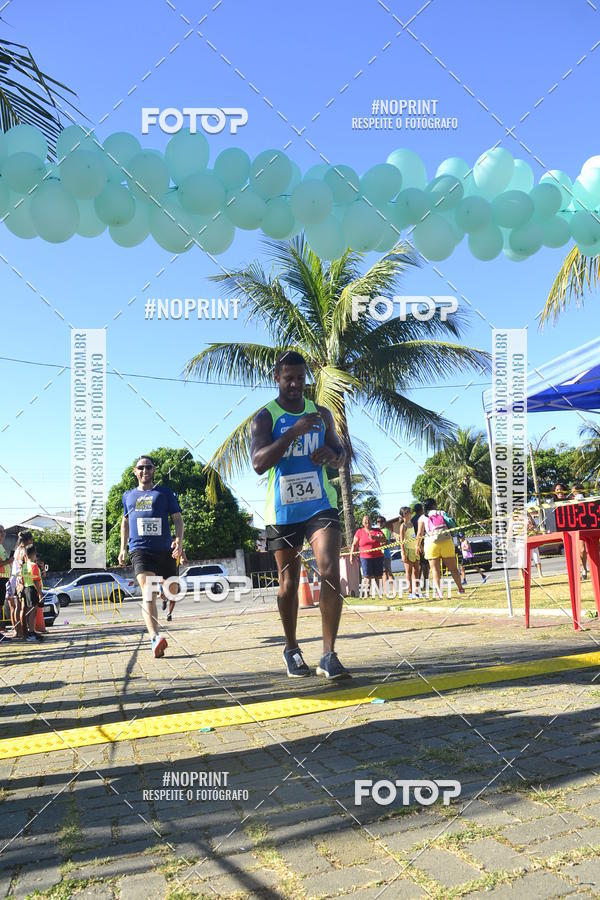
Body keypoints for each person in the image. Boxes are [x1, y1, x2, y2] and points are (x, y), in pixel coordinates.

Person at [251, 350, 349, 680]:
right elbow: (259, 463)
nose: (294, 384)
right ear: (277, 378)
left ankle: (328, 654)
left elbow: (342, 454)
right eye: (288, 378)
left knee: (329, 568)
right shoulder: (265, 417)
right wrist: (293, 432)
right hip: (282, 509)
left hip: (319, 504)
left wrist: (331, 454)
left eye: (300, 377)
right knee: (289, 583)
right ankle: (291, 648)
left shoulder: (321, 413)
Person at [119, 456, 184, 658]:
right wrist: (123, 548)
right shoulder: (128, 496)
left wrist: (179, 541)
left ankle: (166, 593)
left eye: (148, 467)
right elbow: (125, 522)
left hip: (164, 549)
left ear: (154, 470)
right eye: (141, 467)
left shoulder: (164, 493)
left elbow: (178, 519)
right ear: (135, 471)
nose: (145, 470)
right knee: (148, 590)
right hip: (140, 550)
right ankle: (154, 638)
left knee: (172, 590)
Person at [415, 498, 464, 598]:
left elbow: (419, 534)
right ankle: (460, 589)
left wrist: (418, 545)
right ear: (434, 505)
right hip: (446, 541)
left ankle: (439, 592)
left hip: (431, 544)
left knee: (435, 570)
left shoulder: (422, 517)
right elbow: (451, 523)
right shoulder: (441, 512)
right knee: (453, 568)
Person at [350, 515, 386, 598]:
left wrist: (376, 537)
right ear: (363, 523)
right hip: (365, 558)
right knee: (367, 576)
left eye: (369, 520)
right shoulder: (359, 531)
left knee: (378, 575)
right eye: (365, 521)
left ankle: (379, 593)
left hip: (378, 556)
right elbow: (354, 544)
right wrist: (352, 555)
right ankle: (366, 594)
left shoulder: (377, 530)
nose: (367, 522)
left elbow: (384, 540)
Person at [11, 530, 33, 639]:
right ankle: (25, 632)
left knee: (18, 607)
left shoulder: (17, 550)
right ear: (28, 539)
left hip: (16, 578)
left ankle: (19, 631)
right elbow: (24, 567)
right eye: (32, 539)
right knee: (24, 607)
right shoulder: (25, 550)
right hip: (22, 579)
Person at [21, 544, 44, 642]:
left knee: (30, 611)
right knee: (33, 612)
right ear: (34, 553)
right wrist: (40, 593)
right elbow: (35, 580)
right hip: (32, 589)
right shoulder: (34, 565)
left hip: (26, 588)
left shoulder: (25, 565)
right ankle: (31, 633)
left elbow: (23, 578)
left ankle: (32, 631)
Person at [398, 507, 419, 597]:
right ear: (403, 515)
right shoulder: (403, 526)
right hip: (407, 550)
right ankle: (410, 591)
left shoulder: (412, 524)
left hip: (414, 549)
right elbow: (401, 541)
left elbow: (414, 537)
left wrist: (418, 546)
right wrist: (403, 553)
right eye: (406, 513)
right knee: (409, 572)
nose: (409, 514)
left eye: (409, 512)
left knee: (417, 570)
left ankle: (417, 590)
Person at [162, 548, 187, 622]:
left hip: (174, 576)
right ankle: (165, 600)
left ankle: (169, 614)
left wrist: (183, 561)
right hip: (164, 575)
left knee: (173, 597)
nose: (175, 543)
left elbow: (184, 560)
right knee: (163, 594)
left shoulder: (181, 550)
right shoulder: (163, 548)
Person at [518, 512, 543, 582]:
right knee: (522, 560)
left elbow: (535, 525)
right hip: (522, 541)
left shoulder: (528, 514)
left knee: (536, 558)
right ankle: (522, 577)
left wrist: (533, 528)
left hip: (532, 539)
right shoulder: (516, 516)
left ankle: (540, 574)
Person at [570, 484, 588, 579]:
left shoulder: (588, 500)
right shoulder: (570, 501)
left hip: (589, 527)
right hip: (577, 528)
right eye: (574, 491)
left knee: (592, 550)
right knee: (581, 550)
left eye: (577, 491)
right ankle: (583, 569)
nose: (576, 493)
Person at [412, 502, 429, 587]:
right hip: (423, 543)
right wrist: (420, 545)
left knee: (418, 566)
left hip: (415, 544)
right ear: (422, 510)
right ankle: (426, 584)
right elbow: (418, 533)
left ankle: (417, 585)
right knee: (425, 565)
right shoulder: (423, 518)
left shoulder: (412, 520)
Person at [0, 526, 14, 636]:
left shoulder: (1, 546)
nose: (4, 534)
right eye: (1, 532)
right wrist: (8, 561)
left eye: (4, 532)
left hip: (3, 579)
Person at [376, 515, 393, 594]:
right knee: (384, 572)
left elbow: (385, 542)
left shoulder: (385, 530)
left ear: (384, 523)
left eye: (381, 521)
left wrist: (376, 546)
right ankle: (385, 590)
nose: (379, 523)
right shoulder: (378, 531)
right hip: (380, 554)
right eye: (378, 522)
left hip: (385, 554)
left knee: (387, 572)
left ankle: (390, 589)